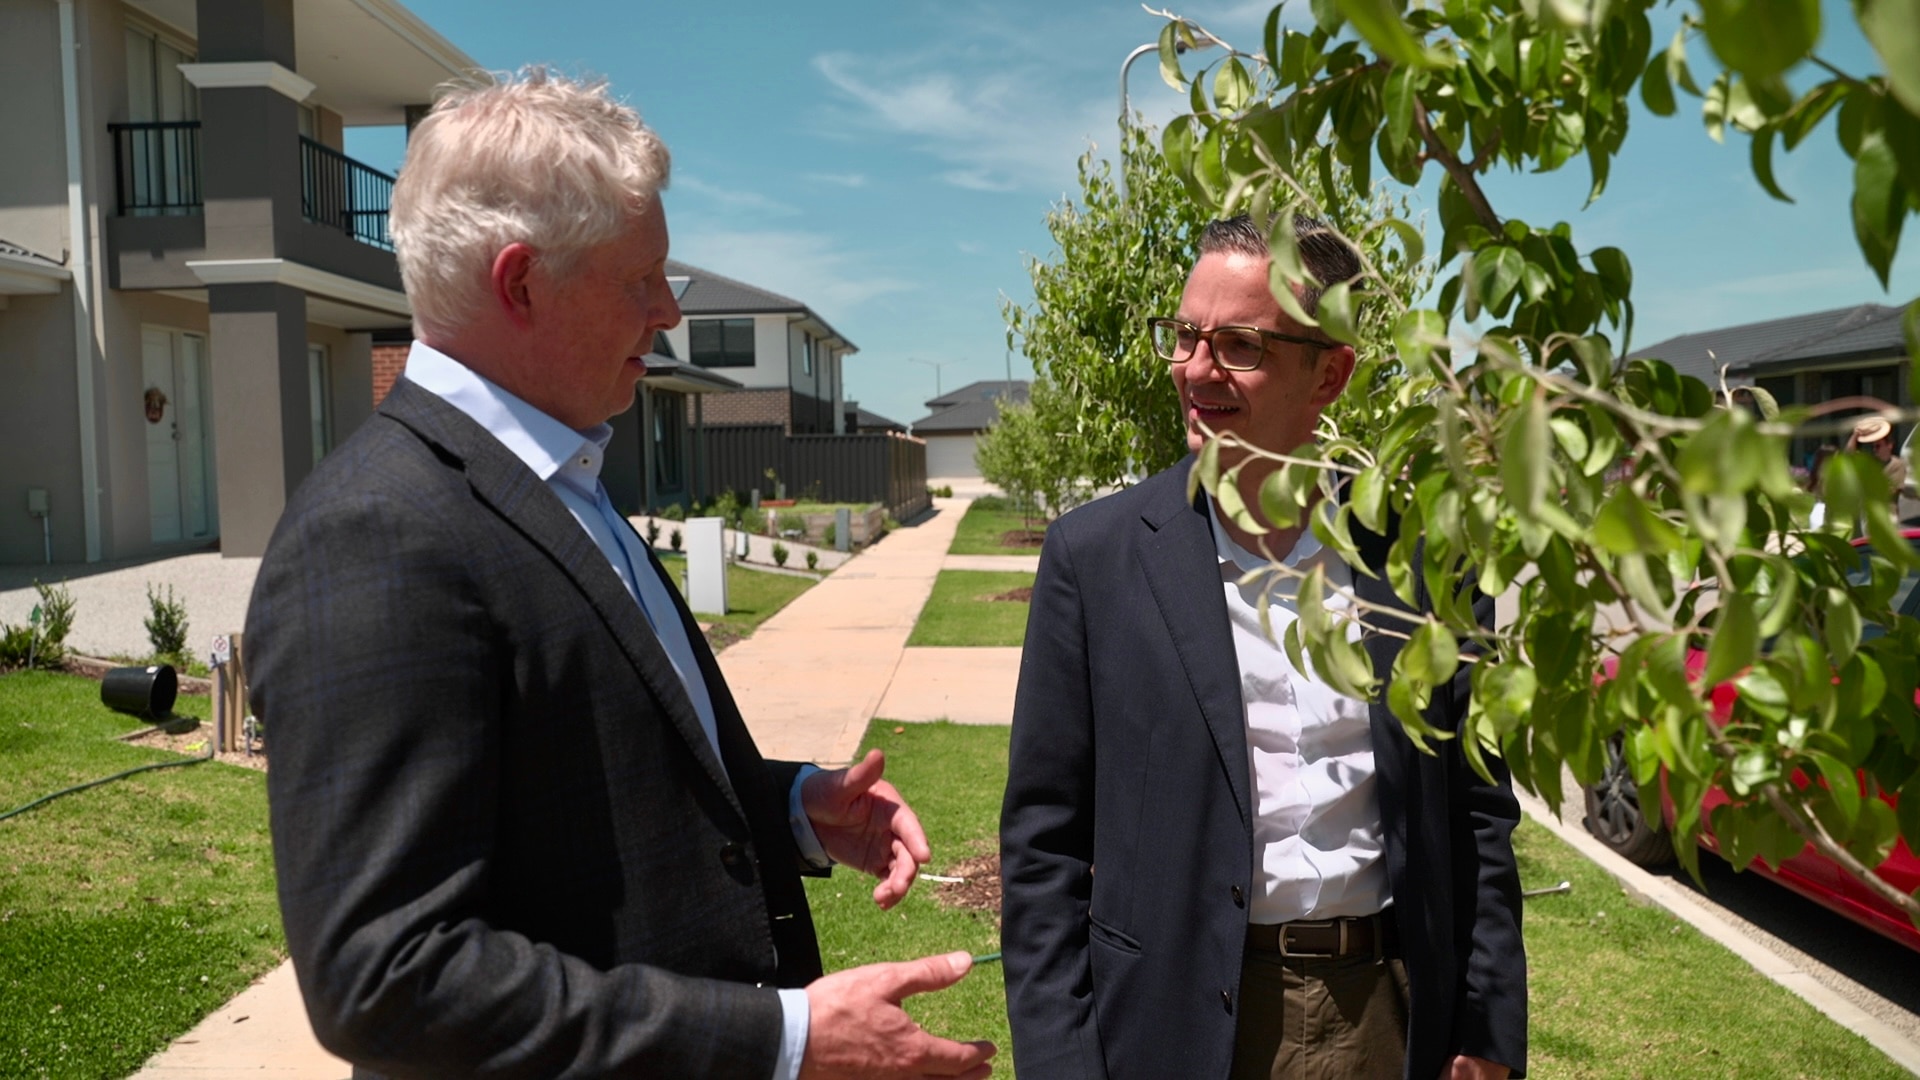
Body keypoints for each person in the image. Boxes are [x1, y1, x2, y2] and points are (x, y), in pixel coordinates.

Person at [247, 69, 996, 1080]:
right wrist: (784, 1038)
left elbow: (590, 791)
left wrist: (787, 808)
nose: (668, 314)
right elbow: (388, 981)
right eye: (641, 278)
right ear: (520, 282)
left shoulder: (563, 474)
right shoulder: (379, 531)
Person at [999, 215, 1527, 1080]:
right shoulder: (1094, 560)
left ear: (1331, 372)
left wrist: (1486, 1030)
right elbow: (1043, 848)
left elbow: (1477, 811)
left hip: (1389, 1019)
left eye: (1239, 345)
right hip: (1179, 1023)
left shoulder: (1426, 552)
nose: (1195, 370)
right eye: (1184, 336)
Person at [1846, 415, 1917, 521]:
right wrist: (1855, 435)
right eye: (1873, 446)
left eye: (1878, 446)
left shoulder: (1897, 465)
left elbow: (1890, 491)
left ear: (1889, 445)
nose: (1875, 450)